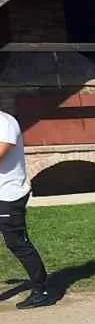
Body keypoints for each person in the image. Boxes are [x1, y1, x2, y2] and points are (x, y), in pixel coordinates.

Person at [0, 99, 55, 308]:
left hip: (9, 194)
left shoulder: (5, 122)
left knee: (17, 243)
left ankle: (42, 290)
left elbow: (2, 151)